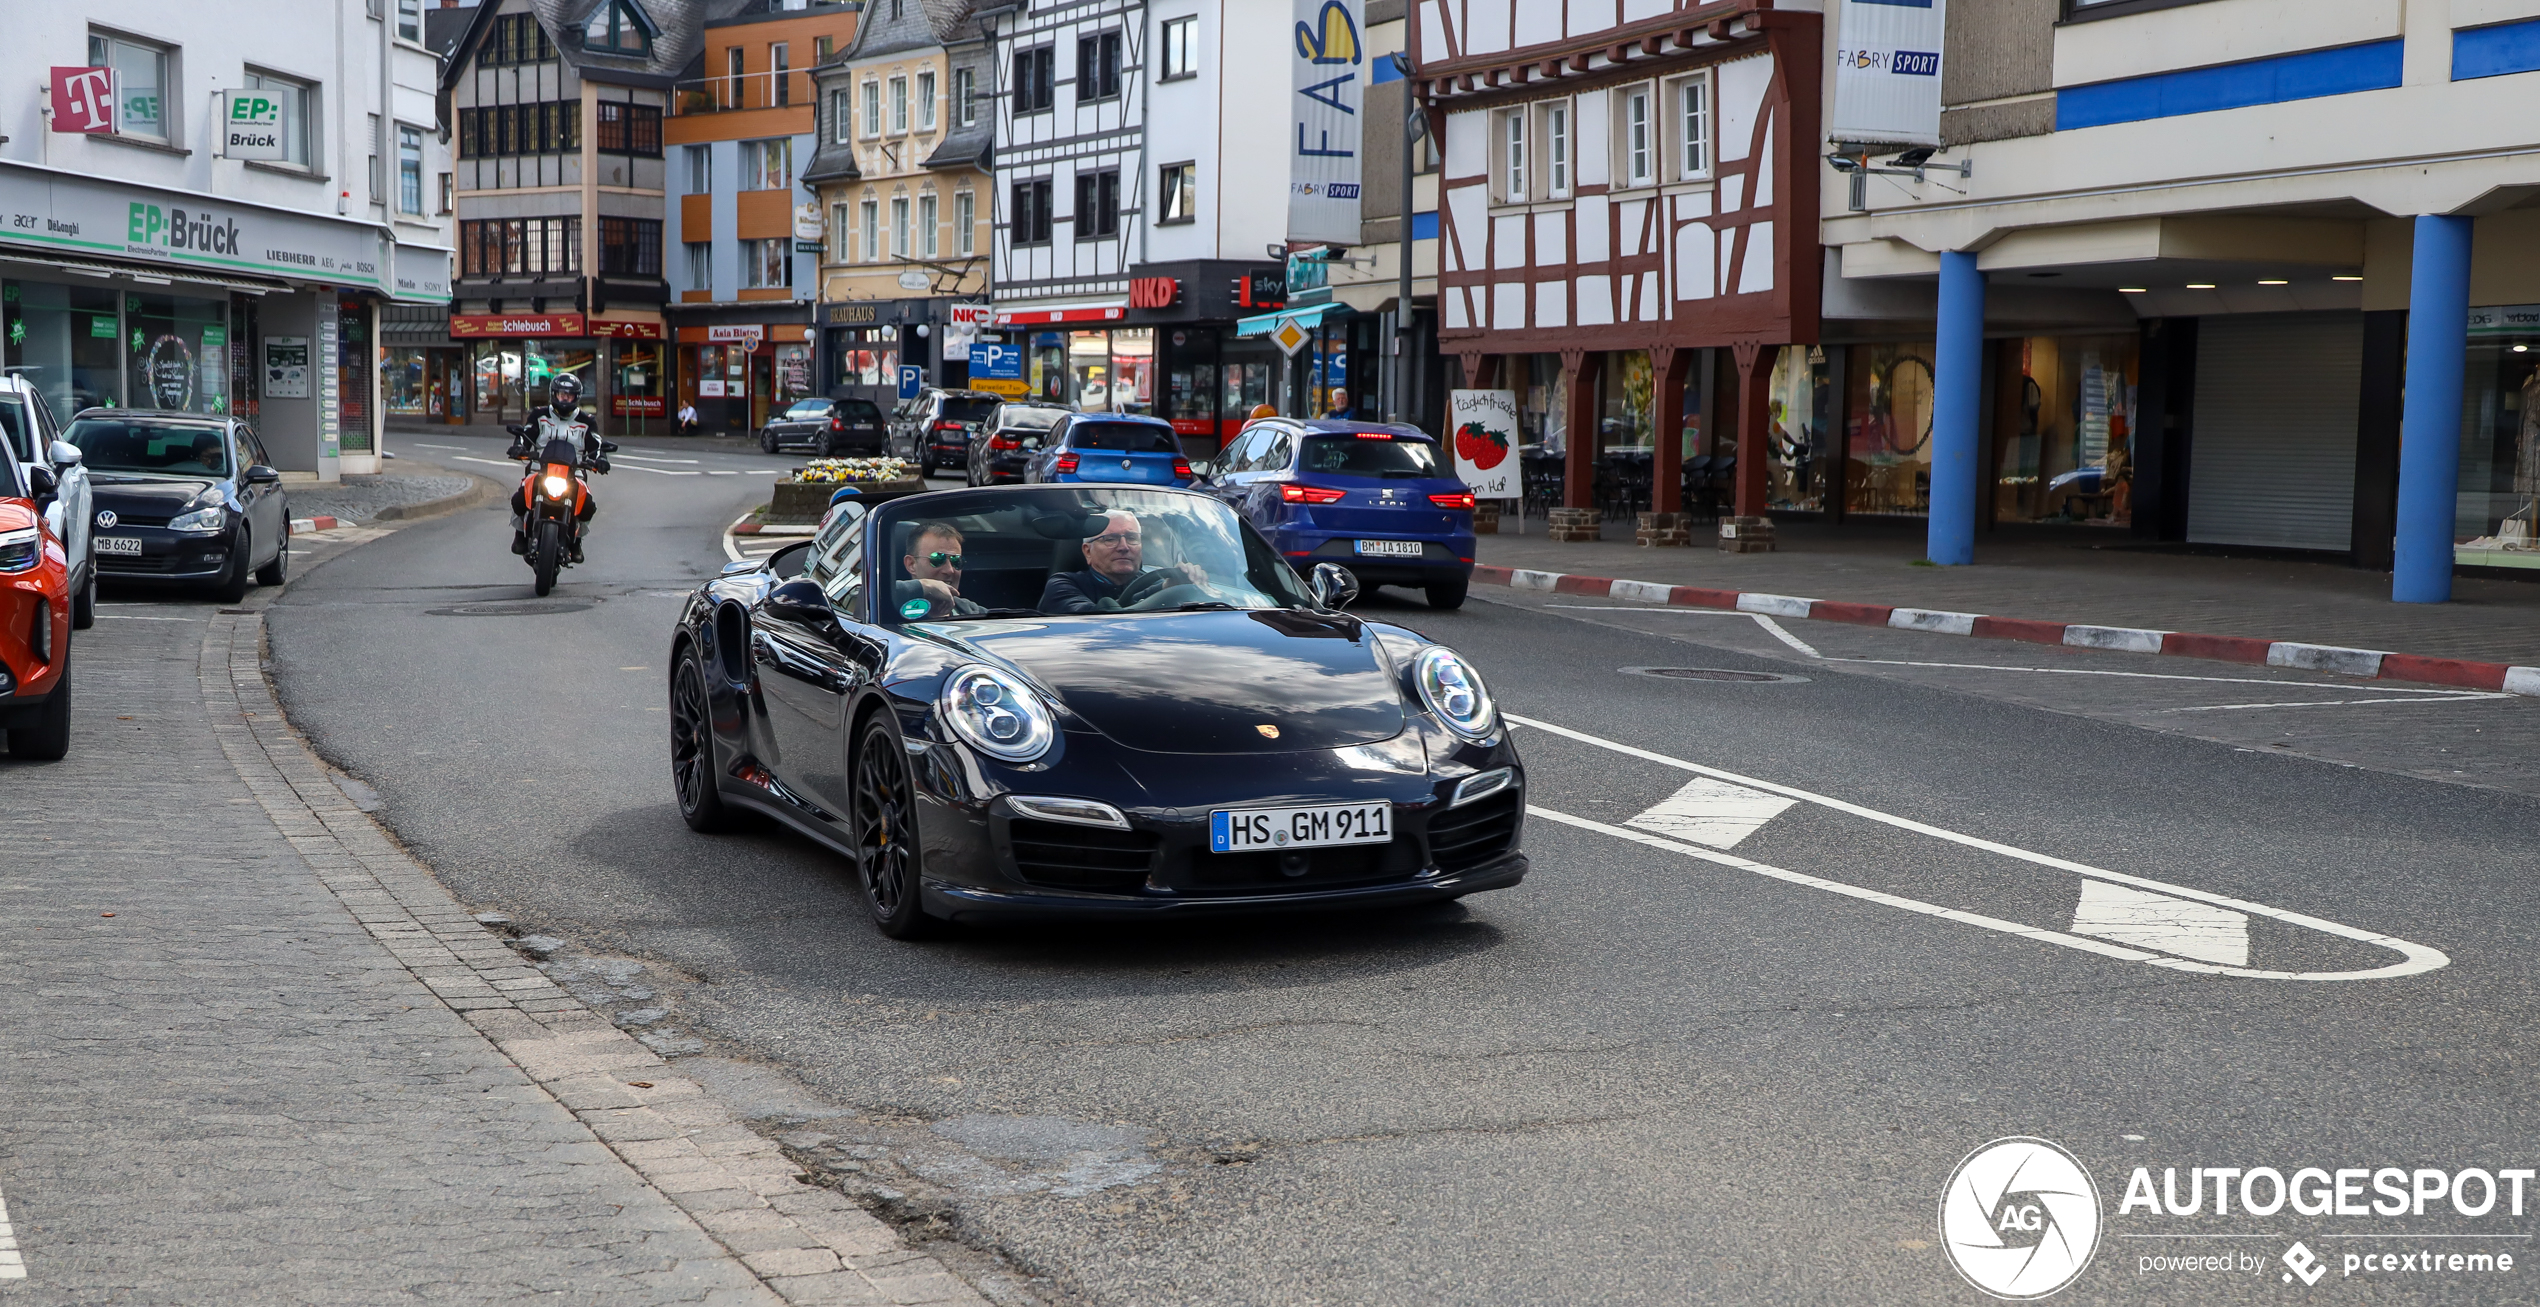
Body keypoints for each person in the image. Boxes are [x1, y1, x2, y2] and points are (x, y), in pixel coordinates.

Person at [507, 372, 605, 561]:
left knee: (588, 506)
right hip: (540, 469)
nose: (565, 399)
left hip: (574, 473)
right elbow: (526, 434)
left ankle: (576, 542)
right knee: (519, 499)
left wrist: (600, 459)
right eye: (561, 395)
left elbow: (597, 444)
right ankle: (519, 534)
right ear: (554, 395)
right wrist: (519, 446)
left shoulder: (586, 421)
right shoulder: (539, 415)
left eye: (569, 395)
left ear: (577, 397)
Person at [1039, 510, 1209, 613]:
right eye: (1110, 539)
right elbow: (1102, 616)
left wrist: (1181, 586)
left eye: (1132, 538)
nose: (1124, 546)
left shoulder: (1157, 580)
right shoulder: (1063, 584)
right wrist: (1163, 590)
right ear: (1087, 551)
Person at [891, 521, 986, 619]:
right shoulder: (885, 609)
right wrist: (926, 587)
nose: (950, 570)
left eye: (956, 561)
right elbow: (878, 594)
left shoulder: (971, 611)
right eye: (937, 559)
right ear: (911, 564)